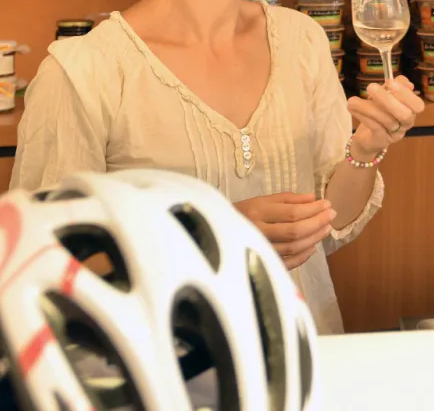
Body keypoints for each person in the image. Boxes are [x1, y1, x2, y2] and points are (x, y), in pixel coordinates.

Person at [11, 0, 424, 335]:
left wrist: (365, 151)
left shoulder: (299, 40)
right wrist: (211, 233)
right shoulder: (84, 72)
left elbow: (330, 227)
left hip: (302, 361)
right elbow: (42, 271)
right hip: (166, 376)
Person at [0, 167, 320, 411]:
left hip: (235, 341)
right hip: (106, 350)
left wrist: (362, 153)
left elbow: (335, 213)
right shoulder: (81, 82)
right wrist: (190, 241)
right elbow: (50, 234)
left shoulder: (303, 79)